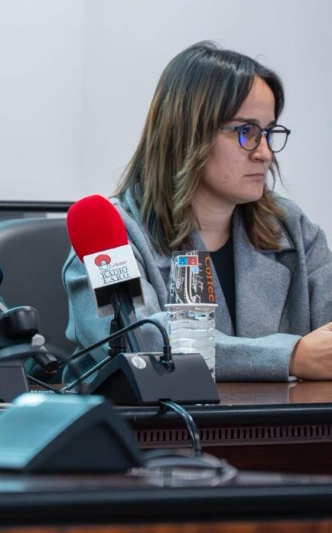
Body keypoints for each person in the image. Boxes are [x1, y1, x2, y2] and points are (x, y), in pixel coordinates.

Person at [63, 41, 332, 382]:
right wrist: (289, 357)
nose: (264, 153)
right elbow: (139, 343)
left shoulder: (291, 228)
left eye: (267, 132)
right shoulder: (111, 234)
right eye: (246, 131)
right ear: (190, 134)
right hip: (149, 433)